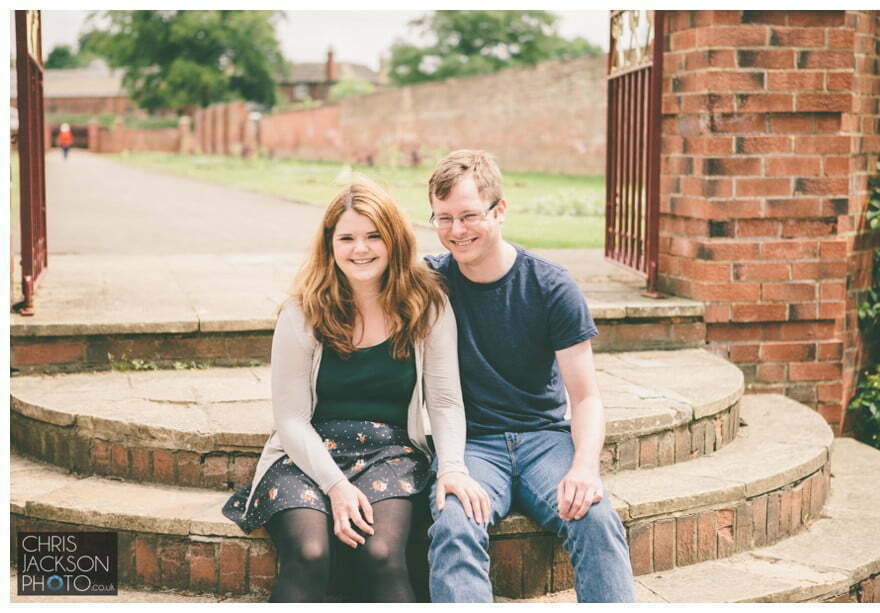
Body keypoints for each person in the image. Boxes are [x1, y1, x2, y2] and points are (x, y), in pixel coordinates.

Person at [223, 179, 488, 602]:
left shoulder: (428, 305)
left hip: (391, 453)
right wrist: (336, 486)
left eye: (372, 236)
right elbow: (290, 420)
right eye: (346, 238)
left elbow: (444, 399)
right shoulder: (302, 312)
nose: (360, 249)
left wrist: (453, 466)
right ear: (330, 244)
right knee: (310, 553)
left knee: (381, 551)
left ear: (394, 240)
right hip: (307, 454)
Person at [423, 150, 636, 603]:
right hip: (472, 444)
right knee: (454, 521)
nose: (456, 232)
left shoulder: (550, 286)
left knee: (595, 518)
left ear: (500, 211)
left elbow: (586, 398)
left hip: (544, 439)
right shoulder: (429, 283)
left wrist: (584, 467)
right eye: (444, 218)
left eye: (468, 216)